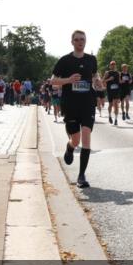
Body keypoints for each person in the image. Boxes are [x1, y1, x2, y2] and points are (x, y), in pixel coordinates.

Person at [50, 30, 105, 188]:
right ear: (72, 42)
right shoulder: (65, 61)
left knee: (86, 136)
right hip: (71, 104)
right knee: (76, 139)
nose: (80, 42)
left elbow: (94, 75)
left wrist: (98, 81)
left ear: (85, 41)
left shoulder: (91, 59)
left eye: (82, 39)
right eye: (77, 39)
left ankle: (81, 176)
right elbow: (53, 81)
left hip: (88, 102)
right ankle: (70, 147)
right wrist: (68, 80)